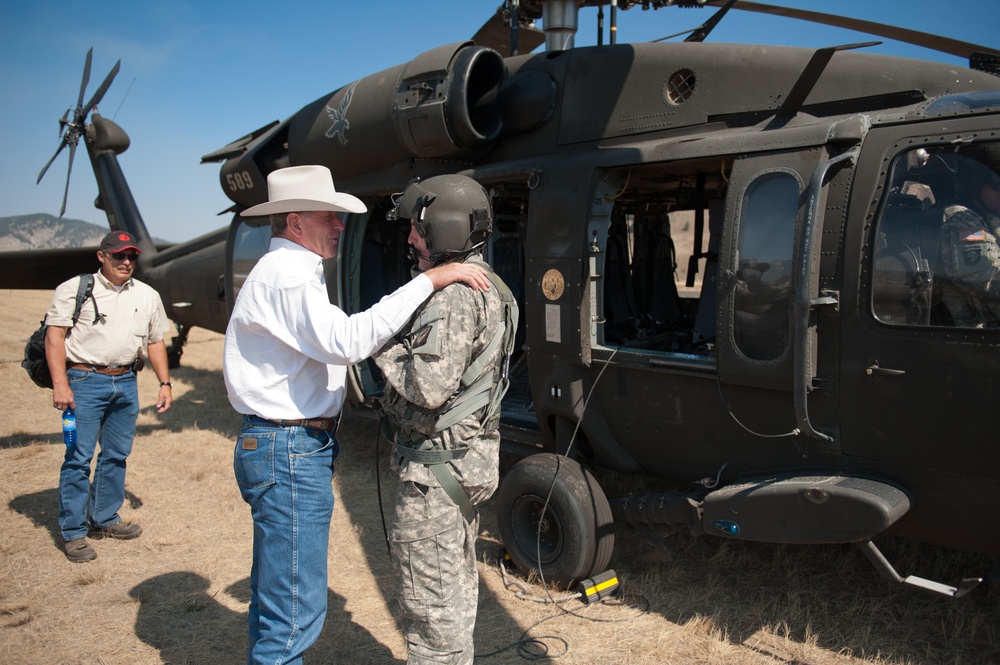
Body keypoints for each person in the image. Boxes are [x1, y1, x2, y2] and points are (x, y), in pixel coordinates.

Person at [223, 165, 490, 665]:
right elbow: (347, 342)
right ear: (296, 221)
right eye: (330, 217)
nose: (340, 227)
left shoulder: (292, 269)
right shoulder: (286, 276)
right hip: (287, 452)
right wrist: (430, 280)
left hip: (288, 448)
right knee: (293, 614)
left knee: (278, 598)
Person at [375, 174, 518, 665]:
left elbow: (427, 388)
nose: (411, 239)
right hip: (462, 467)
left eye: (418, 229)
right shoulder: (490, 286)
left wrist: (382, 346)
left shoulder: (454, 295)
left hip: (434, 479)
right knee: (454, 600)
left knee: (430, 613)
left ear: (447, 229)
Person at [44, 230, 174, 563]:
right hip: (84, 380)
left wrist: (165, 383)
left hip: (126, 382)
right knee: (78, 457)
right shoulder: (75, 289)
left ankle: (104, 518)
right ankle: (73, 533)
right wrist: (61, 384)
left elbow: (156, 341)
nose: (127, 262)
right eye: (119, 255)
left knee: (116, 454)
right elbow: (55, 337)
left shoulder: (146, 295)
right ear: (102, 256)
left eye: (132, 256)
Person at [937, 155, 1000, 327]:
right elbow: (986, 279)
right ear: (977, 183)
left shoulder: (988, 217)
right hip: (975, 333)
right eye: (996, 183)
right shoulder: (960, 218)